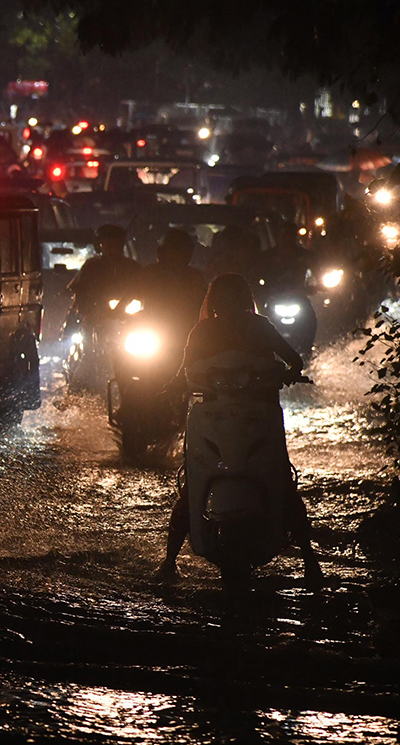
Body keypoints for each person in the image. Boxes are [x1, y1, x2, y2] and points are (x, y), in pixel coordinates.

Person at [154, 273, 321, 581]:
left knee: (281, 481)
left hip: (259, 415)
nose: (228, 304)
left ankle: (310, 559)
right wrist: (172, 385)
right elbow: (184, 370)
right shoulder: (202, 331)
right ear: (214, 301)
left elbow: (293, 360)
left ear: (243, 300)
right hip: (215, 418)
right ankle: (169, 560)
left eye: (233, 297)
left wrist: (287, 373)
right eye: (223, 297)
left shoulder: (260, 328)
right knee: (192, 488)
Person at [135, 229, 209, 344]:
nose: (176, 255)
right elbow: (136, 292)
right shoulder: (151, 272)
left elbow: (201, 300)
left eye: (179, 251)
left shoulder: (194, 276)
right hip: (153, 328)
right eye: (173, 250)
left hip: (186, 331)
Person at [68, 224, 141, 323]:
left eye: (114, 244)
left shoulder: (132, 267)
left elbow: (139, 289)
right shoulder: (91, 266)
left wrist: (121, 307)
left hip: (127, 320)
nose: (110, 249)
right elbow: (77, 289)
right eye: (106, 244)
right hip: (95, 319)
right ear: (100, 245)